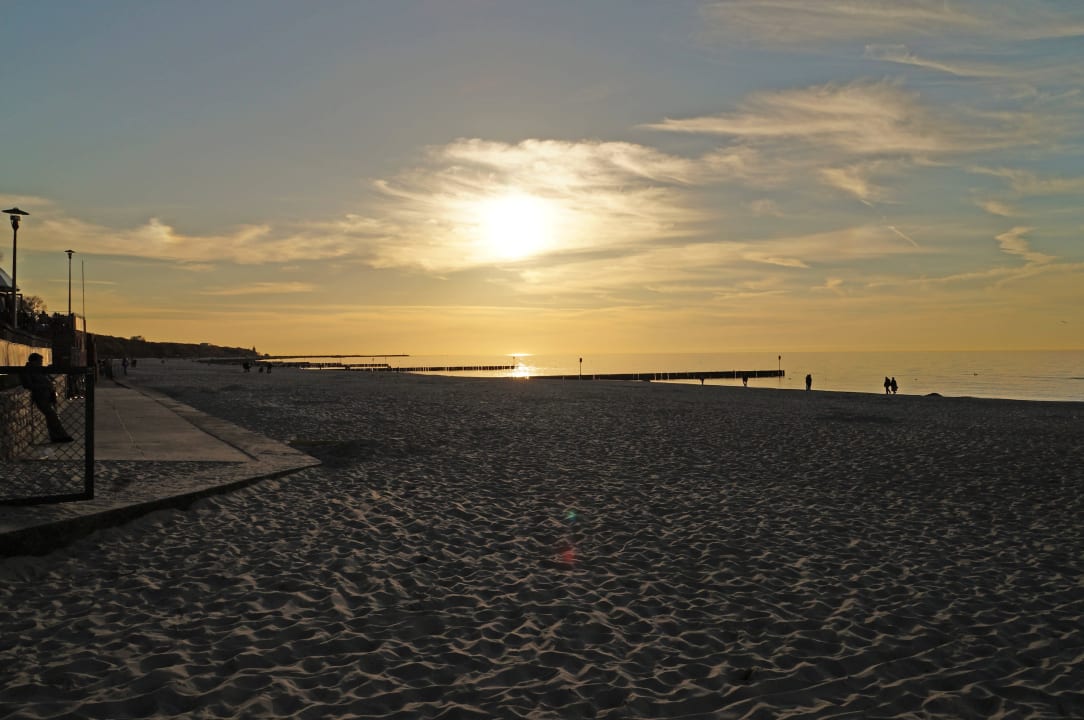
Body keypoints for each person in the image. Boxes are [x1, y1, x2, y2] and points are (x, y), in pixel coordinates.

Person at [21, 353, 74, 443]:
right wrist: (44, 385)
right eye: (39, 361)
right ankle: (61, 436)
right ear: (34, 361)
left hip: (48, 396)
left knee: (52, 417)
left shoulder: (38, 369)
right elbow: (28, 385)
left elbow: (48, 379)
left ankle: (57, 436)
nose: (41, 363)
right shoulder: (27, 370)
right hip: (40, 397)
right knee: (52, 416)